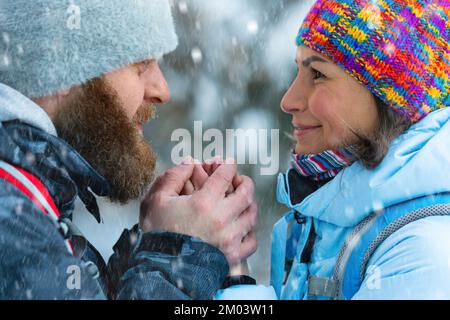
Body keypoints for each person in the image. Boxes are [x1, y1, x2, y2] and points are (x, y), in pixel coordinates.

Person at [0, 0, 257, 300]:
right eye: (141, 63)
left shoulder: (25, 205)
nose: (162, 90)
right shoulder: (13, 223)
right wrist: (177, 259)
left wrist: (159, 246)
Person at [216, 0, 450, 300]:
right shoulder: (332, 217)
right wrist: (231, 269)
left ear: (393, 98)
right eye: (298, 71)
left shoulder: (422, 255)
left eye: (318, 75)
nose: (289, 100)